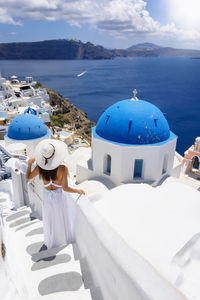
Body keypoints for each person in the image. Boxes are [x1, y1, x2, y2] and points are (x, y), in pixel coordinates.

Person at [26, 139, 85, 249]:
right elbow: (66, 188)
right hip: (59, 198)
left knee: (50, 220)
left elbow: (28, 177)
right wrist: (78, 191)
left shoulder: (39, 167)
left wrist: (29, 164)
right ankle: (62, 241)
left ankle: (52, 242)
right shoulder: (63, 169)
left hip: (47, 198)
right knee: (61, 219)